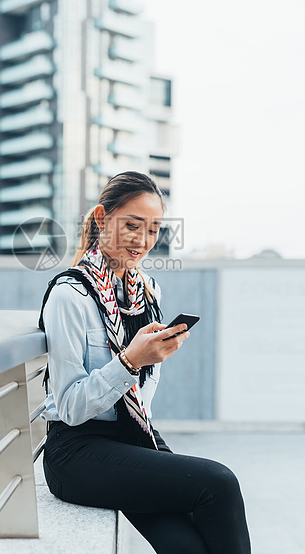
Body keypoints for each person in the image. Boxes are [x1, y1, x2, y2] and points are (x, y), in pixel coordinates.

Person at [38, 171, 251, 554]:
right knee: (219, 482)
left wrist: (152, 355)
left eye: (153, 229)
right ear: (102, 219)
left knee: (189, 543)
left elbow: (141, 397)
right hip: (76, 452)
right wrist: (130, 361)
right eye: (132, 225)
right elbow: (69, 408)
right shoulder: (69, 295)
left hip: (133, 440)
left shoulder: (147, 292)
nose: (143, 240)